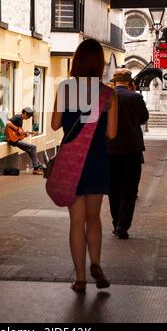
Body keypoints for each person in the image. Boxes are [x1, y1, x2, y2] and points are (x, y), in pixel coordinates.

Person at [51, 39, 118, 293]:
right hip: (96, 161)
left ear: (76, 61)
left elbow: (55, 125)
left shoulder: (65, 89)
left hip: (71, 163)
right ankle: (97, 263)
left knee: (76, 221)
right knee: (94, 218)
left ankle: (80, 279)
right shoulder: (108, 94)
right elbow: (111, 133)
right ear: (100, 64)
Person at [107, 68, 149, 239]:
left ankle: (116, 221)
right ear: (131, 83)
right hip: (132, 150)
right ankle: (123, 225)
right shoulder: (136, 97)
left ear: (114, 82)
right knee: (130, 189)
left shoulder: (106, 97)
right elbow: (144, 118)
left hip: (110, 150)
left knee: (113, 188)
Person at [6, 107, 44, 175]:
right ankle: (36, 167)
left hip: (15, 139)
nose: (29, 118)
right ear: (25, 113)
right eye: (29, 116)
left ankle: (37, 165)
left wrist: (25, 135)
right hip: (13, 140)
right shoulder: (17, 117)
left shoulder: (21, 120)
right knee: (33, 147)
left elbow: (18, 134)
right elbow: (8, 123)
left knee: (29, 150)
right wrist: (17, 129)